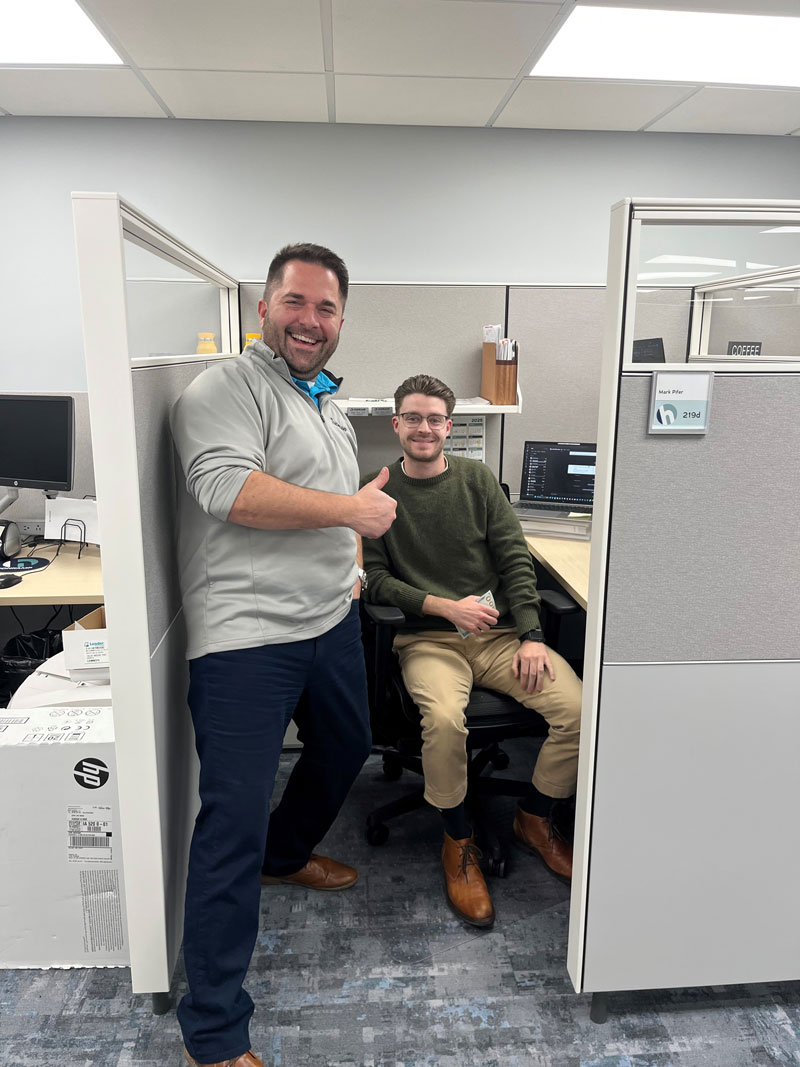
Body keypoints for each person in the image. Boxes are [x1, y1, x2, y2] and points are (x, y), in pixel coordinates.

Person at [170, 243, 396, 1067]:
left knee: (344, 745)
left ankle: (285, 854)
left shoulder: (323, 401)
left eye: (327, 307)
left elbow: (339, 507)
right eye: (296, 302)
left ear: (341, 320)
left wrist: (355, 556)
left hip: (326, 619)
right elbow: (227, 490)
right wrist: (353, 512)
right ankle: (215, 1034)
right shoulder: (225, 389)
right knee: (228, 821)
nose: (311, 320)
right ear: (263, 308)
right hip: (247, 637)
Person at [361, 374, 582, 930]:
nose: (424, 428)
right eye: (413, 417)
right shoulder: (379, 492)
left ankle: (534, 818)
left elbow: (515, 561)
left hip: (500, 636)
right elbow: (376, 581)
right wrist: (442, 606)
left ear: (449, 427)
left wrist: (532, 634)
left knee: (581, 712)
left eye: (435, 419)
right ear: (397, 424)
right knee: (442, 718)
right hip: (429, 640)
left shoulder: (479, 480)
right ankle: (458, 842)